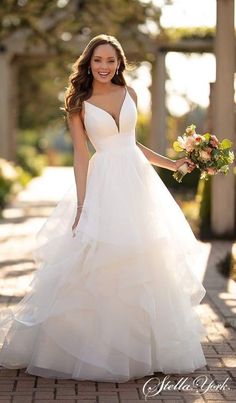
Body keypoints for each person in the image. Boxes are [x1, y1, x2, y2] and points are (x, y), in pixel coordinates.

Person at [0, 34, 207, 383]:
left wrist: (173, 164)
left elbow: (132, 143)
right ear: (88, 62)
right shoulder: (79, 102)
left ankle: (151, 349)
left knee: (146, 260)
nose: (104, 67)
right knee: (99, 260)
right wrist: (82, 206)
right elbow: (82, 155)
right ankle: (94, 349)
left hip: (139, 184)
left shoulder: (131, 93)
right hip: (104, 184)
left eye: (111, 60)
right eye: (98, 60)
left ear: (120, 63)